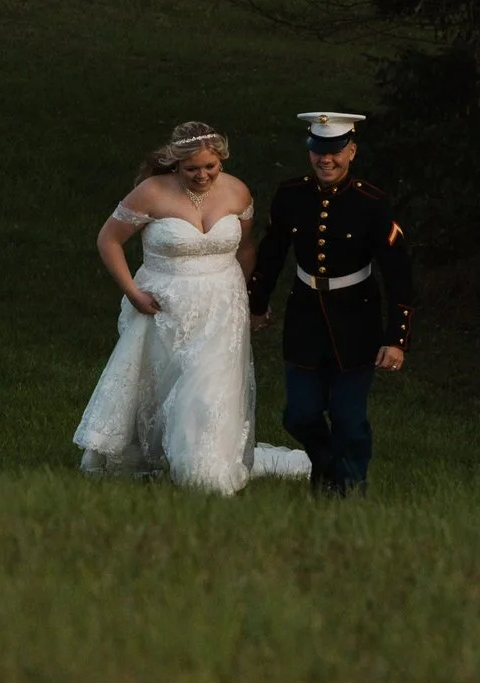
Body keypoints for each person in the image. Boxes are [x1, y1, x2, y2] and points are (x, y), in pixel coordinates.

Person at [73, 122, 312, 493]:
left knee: (207, 389)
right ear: (176, 164)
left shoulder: (237, 191)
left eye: (210, 167)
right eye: (192, 169)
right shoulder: (151, 192)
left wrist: (249, 297)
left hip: (223, 308)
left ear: (222, 160)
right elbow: (109, 240)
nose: (202, 175)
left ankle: (203, 467)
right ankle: (160, 455)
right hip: (164, 309)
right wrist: (132, 292)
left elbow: (246, 248)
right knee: (161, 388)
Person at [248, 112, 416, 495]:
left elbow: (398, 272)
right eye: (318, 151)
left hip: (357, 320)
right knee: (299, 414)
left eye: (335, 151)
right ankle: (327, 467)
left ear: (351, 151)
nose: (326, 160)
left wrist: (396, 338)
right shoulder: (291, 195)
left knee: (348, 418)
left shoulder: (372, 202)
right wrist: (257, 304)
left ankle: (348, 490)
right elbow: (273, 253)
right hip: (304, 316)